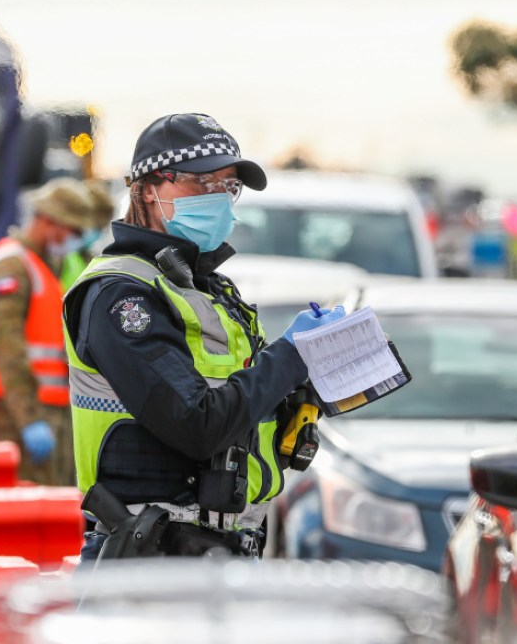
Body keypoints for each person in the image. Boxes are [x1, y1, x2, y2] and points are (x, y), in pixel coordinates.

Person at [62, 113, 335, 560]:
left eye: (228, 187)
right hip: (149, 554)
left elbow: (237, 404)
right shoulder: (121, 294)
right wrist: (289, 355)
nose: (220, 199)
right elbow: (197, 424)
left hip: (219, 548)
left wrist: (306, 388)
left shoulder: (206, 288)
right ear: (148, 189)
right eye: (201, 183)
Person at [0, 178, 95, 485]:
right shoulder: (13, 268)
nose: (76, 239)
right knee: (30, 513)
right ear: (48, 222)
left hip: (45, 411)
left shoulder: (40, 265)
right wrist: (30, 420)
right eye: (73, 230)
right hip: (17, 416)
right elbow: (8, 351)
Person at [60, 179, 115, 291]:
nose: (97, 234)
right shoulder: (59, 256)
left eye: (101, 228)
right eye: (96, 227)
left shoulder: (86, 257)